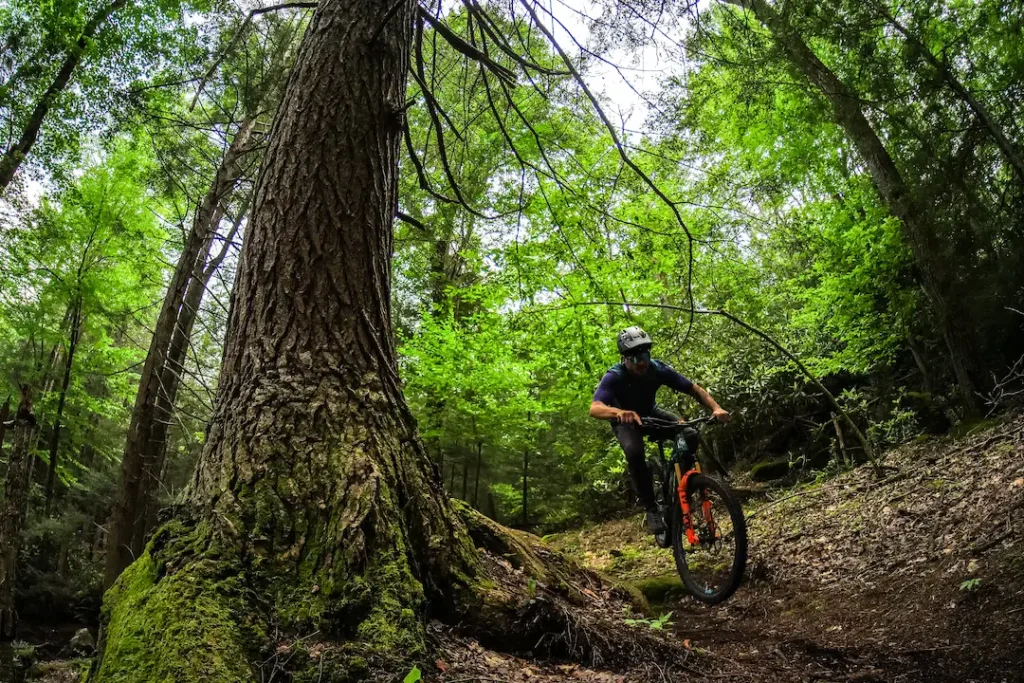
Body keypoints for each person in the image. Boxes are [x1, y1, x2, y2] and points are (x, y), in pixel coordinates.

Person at [589, 326, 730, 535]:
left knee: (689, 433)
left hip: (651, 412)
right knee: (635, 452)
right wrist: (619, 412)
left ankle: (680, 488)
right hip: (626, 421)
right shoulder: (614, 376)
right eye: (635, 359)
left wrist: (716, 408)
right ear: (625, 359)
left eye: (644, 355)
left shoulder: (658, 369)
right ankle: (651, 508)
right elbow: (595, 408)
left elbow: (693, 388)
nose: (641, 363)